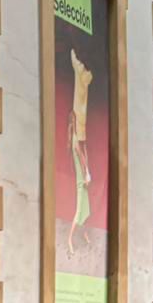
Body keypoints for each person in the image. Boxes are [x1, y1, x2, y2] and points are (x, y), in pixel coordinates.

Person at [66, 48, 94, 257]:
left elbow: (85, 151)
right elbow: (81, 153)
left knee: (87, 209)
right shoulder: (75, 139)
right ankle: (69, 240)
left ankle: (83, 234)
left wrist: (88, 171)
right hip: (80, 182)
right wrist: (86, 174)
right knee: (79, 210)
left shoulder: (79, 134)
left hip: (83, 179)